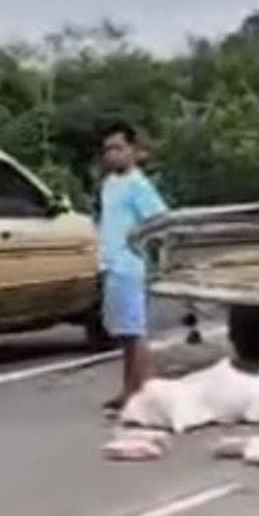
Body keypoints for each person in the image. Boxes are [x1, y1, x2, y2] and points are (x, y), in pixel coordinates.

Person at [96, 121, 167, 412]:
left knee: (136, 333)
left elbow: (159, 221)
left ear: (135, 151)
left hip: (130, 266)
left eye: (119, 148)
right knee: (124, 334)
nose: (112, 155)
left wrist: (144, 250)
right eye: (108, 150)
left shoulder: (139, 185)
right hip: (112, 265)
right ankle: (129, 389)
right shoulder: (110, 184)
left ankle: (145, 393)